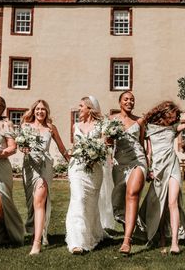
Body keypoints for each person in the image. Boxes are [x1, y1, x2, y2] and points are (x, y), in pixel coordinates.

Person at [135, 101, 185, 254]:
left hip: (172, 166)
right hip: (158, 168)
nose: (174, 118)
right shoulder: (149, 127)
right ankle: (162, 237)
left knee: (172, 202)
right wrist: (148, 169)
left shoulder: (174, 127)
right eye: (173, 114)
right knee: (160, 201)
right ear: (165, 112)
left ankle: (174, 243)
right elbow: (148, 151)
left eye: (176, 115)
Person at [20, 99, 70, 255]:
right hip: (29, 166)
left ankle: (37, 243)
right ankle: (38, 230)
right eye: (37, 109)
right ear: (33, 111)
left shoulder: (50, 128)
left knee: (39, 200)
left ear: (47, 112)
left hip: (45, 167)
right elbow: (21, 145)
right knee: (32, 204)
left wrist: (74, 162)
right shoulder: (25, 126)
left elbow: (62, 148)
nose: (40, 111)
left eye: (43, 109)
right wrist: (24, 148)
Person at [65, 96, 107, 254]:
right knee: (79, 198)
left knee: (90, 202)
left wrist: (94, 155)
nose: (79, 108)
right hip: (76, 168)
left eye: (81, 105)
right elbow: (75, 146)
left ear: (90, 108)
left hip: (94, 169)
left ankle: (92, 233)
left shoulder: (101, 125)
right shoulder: (76, 125)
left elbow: (104, 146)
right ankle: (77, 241)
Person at [110, 91, 148, 254]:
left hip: (137, 160)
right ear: (120, 102)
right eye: (126, 99)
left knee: (132, 194)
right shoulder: (112, 120)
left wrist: (150, 165)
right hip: (119, 163)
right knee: (120, 201)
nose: (129, 102)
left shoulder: (139, 121)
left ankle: (127, 241)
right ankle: (134, 229)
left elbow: (142, 143)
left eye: (132, 99)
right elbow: (107, 142)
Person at [0, 96, 24, 247]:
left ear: (3, 109)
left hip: (0, 167)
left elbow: (12, 148)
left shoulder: (6, 124)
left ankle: (9, 235)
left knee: (0, 206)